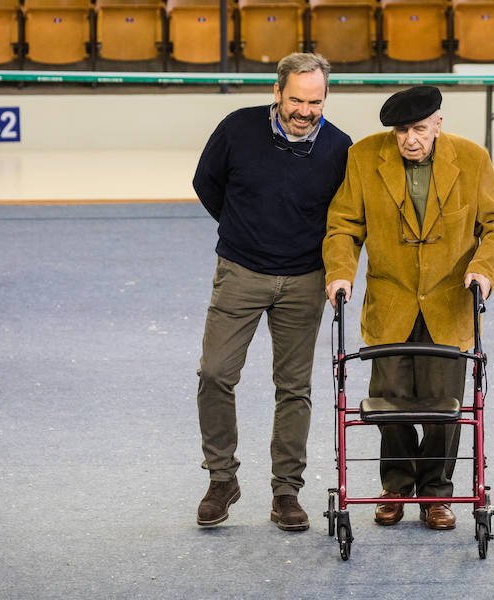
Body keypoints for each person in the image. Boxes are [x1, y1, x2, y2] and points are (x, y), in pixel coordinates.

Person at [322, 86, 494, 530]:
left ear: (438, 125)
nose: (411, 139)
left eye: (420, 130)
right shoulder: (364, 157)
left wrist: (484, 271)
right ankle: (395, 487)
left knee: (442, 408)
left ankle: (436, 492)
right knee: (389, 403)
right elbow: (343, 226)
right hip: (390, 302)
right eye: (402, 131)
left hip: (449, 303)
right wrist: (340, 273)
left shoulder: (471, 159)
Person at [191, 53, 352, 531]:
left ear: (326, 97)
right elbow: (207, 183)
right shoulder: (237, 128)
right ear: (277, 92)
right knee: (215, 373)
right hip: (240, 270)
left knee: (294, 388)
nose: (305, 111)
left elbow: (344, 216)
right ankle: (222, 479)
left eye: (315, 102)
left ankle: (286, 491)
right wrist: (243, 229)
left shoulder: (340, 147)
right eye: (297, 100)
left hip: (305, 279)